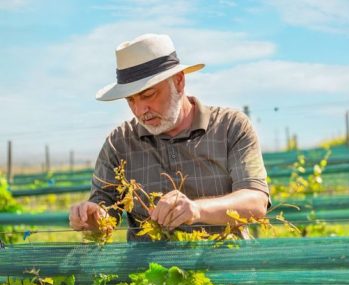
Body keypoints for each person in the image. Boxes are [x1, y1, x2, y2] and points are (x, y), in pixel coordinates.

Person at [69, 33, 270, 241]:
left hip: (228, 267)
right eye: (131, 100)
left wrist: (197, 210)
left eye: (148, 95)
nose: (140, 110)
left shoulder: (231, 127)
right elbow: (104, 213)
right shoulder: (119, 143)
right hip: (149, 272)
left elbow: (256, 201)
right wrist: (92, 217)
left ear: (179, 81)